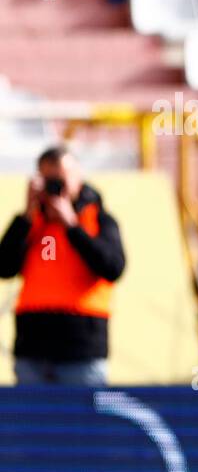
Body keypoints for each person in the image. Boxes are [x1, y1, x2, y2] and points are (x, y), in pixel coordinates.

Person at [0, 146, 126, 386]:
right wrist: (26, 216)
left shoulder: (98, 220)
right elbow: (4, 266)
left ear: (78, 178)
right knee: (32, 420)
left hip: (81, 348)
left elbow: (113, 267)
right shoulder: (31, 222)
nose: (55, 188)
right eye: (48, 180)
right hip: (32, 346)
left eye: (61, 179)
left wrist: (72, 226)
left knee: (81, 420)